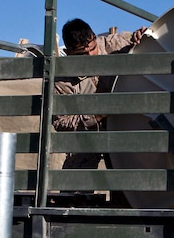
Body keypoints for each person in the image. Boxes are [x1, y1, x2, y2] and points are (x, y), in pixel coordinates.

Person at [53, 18, 146, 169]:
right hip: (88, 137)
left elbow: (149, 41)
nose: (91, 56)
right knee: (76, 181)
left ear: (95, 37)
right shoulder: (63, 81)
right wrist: (96, 115)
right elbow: (60, 122)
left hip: (126, 127)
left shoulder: (116, 44)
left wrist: (143, 36)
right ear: (69, 53)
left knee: (127, 181)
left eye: (93, 48)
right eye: (82, 53)